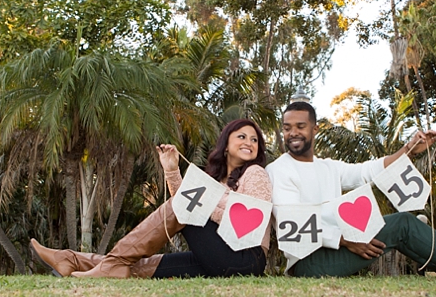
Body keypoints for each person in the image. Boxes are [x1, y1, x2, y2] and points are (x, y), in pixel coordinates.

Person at [267, 101, 436, 279]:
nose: (293, 133)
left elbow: (367, 171)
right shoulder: (279, 170)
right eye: (287, 128)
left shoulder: (327, 167)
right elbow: (293, 223)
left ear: (314, 129)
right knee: (403, 225)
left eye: (300, 126)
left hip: (337, 248)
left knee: (405, 226)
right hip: (308, 262)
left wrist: (407, 150)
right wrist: (347, 240)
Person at [30, 119, 272, 279]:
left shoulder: (255, 173)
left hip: (245, 258)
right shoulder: (215, 179)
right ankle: (69, 259)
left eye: (254, 140)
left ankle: (114, 261)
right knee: (149, 266)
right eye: (242, 137)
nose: (249, 143)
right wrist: (171, 170)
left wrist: (203, 205)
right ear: (226, 144)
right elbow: (184, 209)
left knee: (186, 205)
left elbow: (250, 222)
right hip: (218, 257)